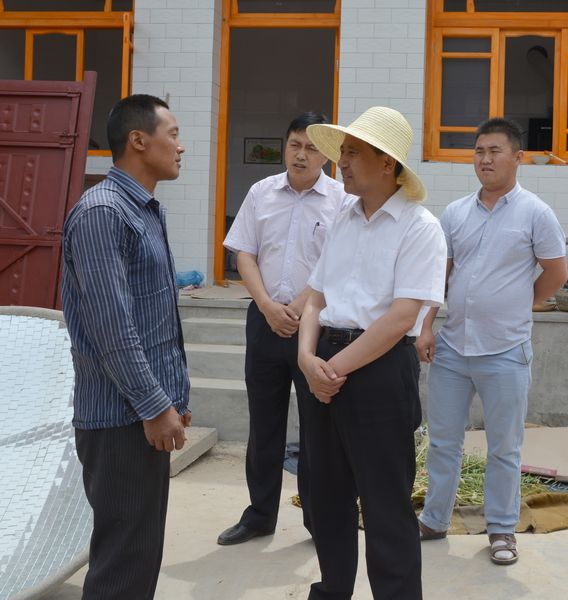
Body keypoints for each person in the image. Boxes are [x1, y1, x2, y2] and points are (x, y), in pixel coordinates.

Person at [298, 106, 446, 599]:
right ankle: (332, 590)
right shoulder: (342, 218)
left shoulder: (419, 227)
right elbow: (315, 298)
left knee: (385, 505)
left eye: (353, 152)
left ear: (387, 163)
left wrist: (330, 370)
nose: (341, 161)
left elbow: (402, 317)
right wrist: (306, 359)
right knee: (326, 497)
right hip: (324, 362)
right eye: (342, 151)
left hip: (379, 371)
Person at [417, 117, 568, 565]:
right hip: (452, 349)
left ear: (517, 157)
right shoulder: (455, 213)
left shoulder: (536, 213)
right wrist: (425, 326)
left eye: (494, 151)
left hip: (505, 351)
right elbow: (438, 276)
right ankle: (434, 519)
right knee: (443, 442)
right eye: (479, 151)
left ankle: (501, 529)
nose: (485, 159)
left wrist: (521, 302)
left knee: (504, 448)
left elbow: (556, 273)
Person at [61, 94, 190, 599]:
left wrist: (173, 399)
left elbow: (154, 318)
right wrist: (155, 406)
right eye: (172, 134)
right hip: (120, 420)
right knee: (121, 567)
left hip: (142, 414)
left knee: (137, 557)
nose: (180, 146)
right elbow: (112, 328)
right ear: (138, 140)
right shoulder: (103, 213)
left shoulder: (143, 209)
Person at [219, 112, 352, 546]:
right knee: (264, 426)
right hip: (263, 323)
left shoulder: (341, 200)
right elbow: (243, 253)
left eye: (312, 148)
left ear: (325, 155)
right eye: (295, 144)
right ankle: (259, 516)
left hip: (315, 328)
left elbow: (338, 264)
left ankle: (318, 520)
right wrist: (266, 306)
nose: (301, 155)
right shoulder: (261, 192)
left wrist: (295, 308)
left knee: (317, 430)